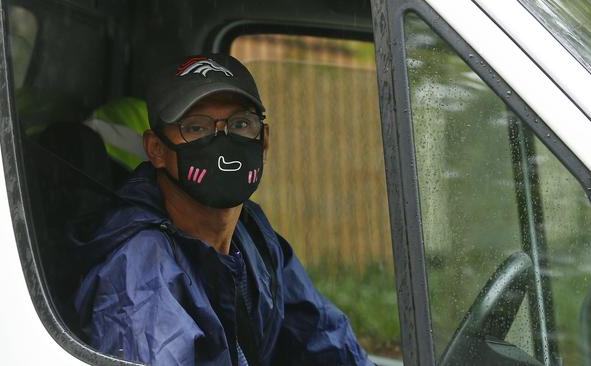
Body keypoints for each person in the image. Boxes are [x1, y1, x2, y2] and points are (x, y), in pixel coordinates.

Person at [72, 54, 372, 366]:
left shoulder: (251, 231)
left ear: (264, 139)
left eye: (240, 124)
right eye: (197, 128)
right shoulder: (139, 266)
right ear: (156, 150)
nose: (222, 142)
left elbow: (320, 335)